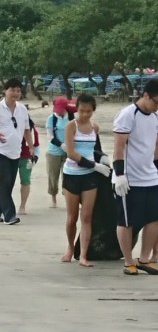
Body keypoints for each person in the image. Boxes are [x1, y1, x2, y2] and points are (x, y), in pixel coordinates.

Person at [112, 77, 158, 275]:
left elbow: (155, 147)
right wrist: (120, 174)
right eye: (156, 101)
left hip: (150, 176)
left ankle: (144, 258)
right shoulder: (128, 114)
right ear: (146, 95)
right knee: (127, 220)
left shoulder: (156, 117)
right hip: (129, 178)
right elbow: (119, 146)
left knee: (154, 218)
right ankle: (128, 261)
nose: (157, 106)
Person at [61, 93, 111, 266]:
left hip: (89, 177)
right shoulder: (71, 126)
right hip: (72, 174)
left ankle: (83, 255)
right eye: (81, 111)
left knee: (87, 216)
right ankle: (70, 247)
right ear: (77, 109)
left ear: (93, 111)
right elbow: (71, 153)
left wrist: (103, 158)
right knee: (72, 217)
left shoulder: (94, 127)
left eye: (88, 111)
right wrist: (94, 165)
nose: (84, 114)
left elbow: (97, 149)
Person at [0, 78, 35, 225]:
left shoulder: (22, 109)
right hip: (0, 151)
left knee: (8, 184)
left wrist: (31, 146)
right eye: (12, 90)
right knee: (5, 181)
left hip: (16, 151)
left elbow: (27, 130)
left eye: (18, 91)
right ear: (5, 91)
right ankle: (9, 215)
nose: (15, 93)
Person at [45, 96, 71, 208]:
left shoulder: (71, 118)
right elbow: (50, 136)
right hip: (53, 152)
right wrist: (61, 144)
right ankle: (53, 199)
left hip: (68, 153)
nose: (58, 111)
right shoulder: (51, 119)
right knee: (53, 177)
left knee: (67, 177)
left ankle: (68, 200)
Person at [18, 114, 42, 214]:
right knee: (7, 181)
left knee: (25, 180)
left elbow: (37, 147)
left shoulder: (32, 130)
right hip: (10, 156)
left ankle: (22, 206)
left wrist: (34, 160)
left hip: (26, 157)